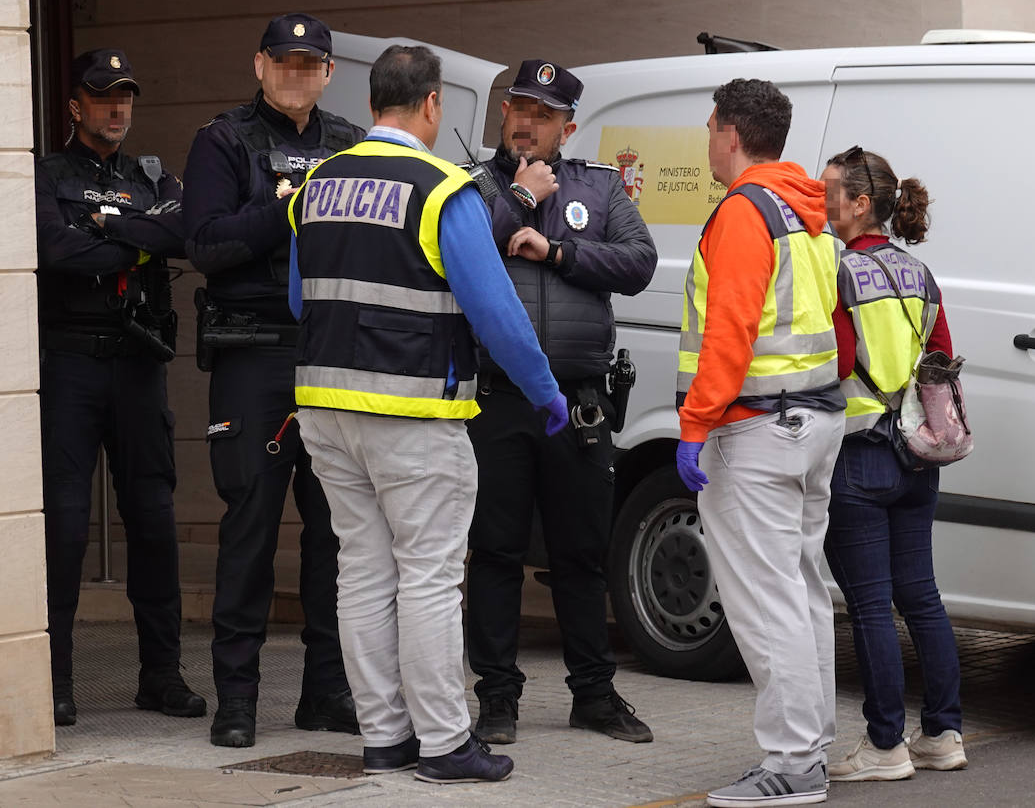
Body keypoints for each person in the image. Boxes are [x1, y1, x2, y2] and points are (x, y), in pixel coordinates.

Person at [286, 44, 566, 784]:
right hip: (411, 410)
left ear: (375, 98)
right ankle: (444, 741)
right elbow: (498, 314)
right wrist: (545, 391)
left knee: (364, 570)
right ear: (432, 104)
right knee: (432, 576)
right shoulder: (442, 188)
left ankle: (385, 735)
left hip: (325, 407)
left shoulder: (315, 183)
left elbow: (297, 298)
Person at [183, 13, 366, 748]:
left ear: (328, 73)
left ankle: (326, 692)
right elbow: (204, 244)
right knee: (251, 528)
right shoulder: (223, 141)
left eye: (311, 63)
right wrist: (288, 206)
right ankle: (237, 700)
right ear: (260, 66)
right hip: (253, 353)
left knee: (335, 531)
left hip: (329, 353)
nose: (298, 74)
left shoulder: (350, 143)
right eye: (284, 62)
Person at [464, 59, 657, 746]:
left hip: (578, 402)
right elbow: (452, 258)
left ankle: (595, 696)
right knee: (494, 551)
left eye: (542, 114)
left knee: (581, 553)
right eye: (518, 108)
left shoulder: (599, 187)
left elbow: (639, 262)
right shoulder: (474, 187)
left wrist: (559, 252)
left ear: (567, 127)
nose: (525, 122)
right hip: (498, 399)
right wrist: (515, 197)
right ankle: (496, 698)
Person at [675, 78, 846, 808]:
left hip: (755, 427)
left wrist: (694, 423)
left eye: (710, 127)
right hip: (812, 421)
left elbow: (730, 329)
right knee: (802, 591)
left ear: (731, 133)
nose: (707, 140)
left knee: (766, 599)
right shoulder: (805, 210)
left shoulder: (744, 212)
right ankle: (812, 748)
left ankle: (793, 763)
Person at [35, 48, 203, 727]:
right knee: (66, 530)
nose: (116, 109)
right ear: (75, 105)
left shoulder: (150, 175)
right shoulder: (45, 175)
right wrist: (142, 240)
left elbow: (187, 232)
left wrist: (113, 229)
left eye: (125, 97)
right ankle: (54, 679)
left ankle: (161, 675)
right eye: (103, 97)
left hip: (138, 365)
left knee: (155, 525)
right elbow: (56, 250)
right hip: (70, 365)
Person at [819, 147, 966, 782]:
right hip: (917, 453)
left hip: (860, 454)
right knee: (923, 598)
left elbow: (839, 359)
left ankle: (885, 746)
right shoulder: (920, 273)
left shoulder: (840, 273)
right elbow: (942, 357)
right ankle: (944, 733)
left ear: (859, 203)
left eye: (829, 191)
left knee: (872, 607)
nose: (819, 200)